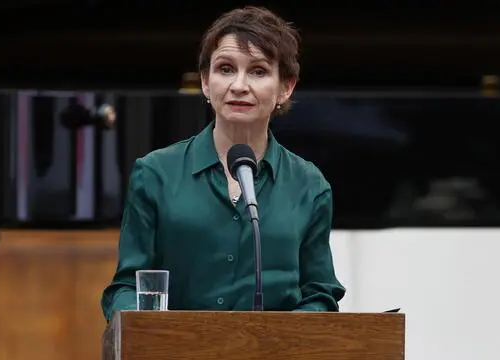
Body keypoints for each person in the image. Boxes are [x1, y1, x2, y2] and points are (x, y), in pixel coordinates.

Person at [101, 6, 345, 320]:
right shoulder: (155, 173)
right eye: (226, 68)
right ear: (205, 81)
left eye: (258, 71)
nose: (239, 85)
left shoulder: (310, 186)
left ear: (286, 87)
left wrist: (290, 336)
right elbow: (126, 287)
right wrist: (145, 327)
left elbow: (320, 294)